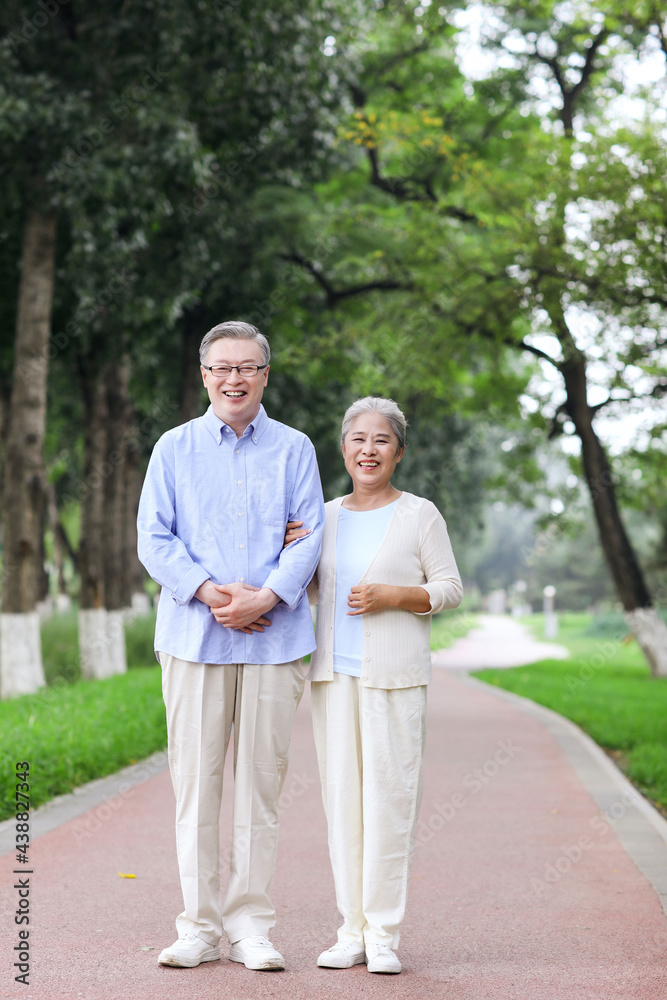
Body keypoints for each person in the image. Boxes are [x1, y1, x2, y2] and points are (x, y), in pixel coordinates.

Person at [137, 320, 324, 973]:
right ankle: (198, 927)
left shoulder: (294, 448)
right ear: (204, 374)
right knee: (196, 785)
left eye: (247, 366)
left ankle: (251, 927)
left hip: (274, 643)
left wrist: (265, 598)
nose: (235, 378)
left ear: (265, 375)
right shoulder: (174, 448)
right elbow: (154, 539)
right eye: (222, 367)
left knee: (260, 789)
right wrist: (216, 594)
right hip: (193, 638)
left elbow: (309, 535)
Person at [286, 396, 462, 975]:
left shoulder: (419, 515)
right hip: (335, 679)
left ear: (399, 452)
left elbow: (449, 589)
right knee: (342, 804)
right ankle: (349, 931)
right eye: (358, 439)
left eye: (381, 440)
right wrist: (294, 555)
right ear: (343, 449)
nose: (369, 449)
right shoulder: (325, 516)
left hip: (395, 681)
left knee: (388, 803)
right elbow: (315, 591)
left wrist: (397, 597)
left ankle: (383, 933)